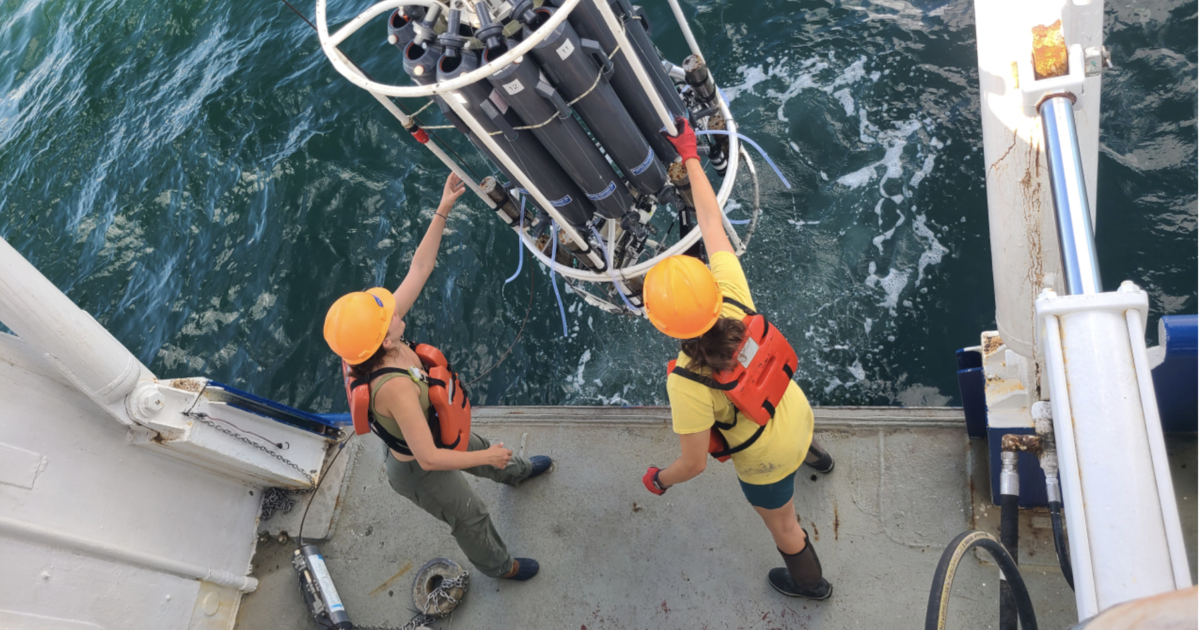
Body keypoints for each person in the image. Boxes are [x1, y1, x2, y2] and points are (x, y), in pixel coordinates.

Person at [640, 119, 835, 599]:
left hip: (767, 460)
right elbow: (711, 221)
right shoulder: (732, 299)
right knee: (785, 429)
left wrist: (658, 480)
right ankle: (821, 461)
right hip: (798, 414)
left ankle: (811, 586)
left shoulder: (687, 381)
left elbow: (693, 464)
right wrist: (690, 154)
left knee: (785, 528)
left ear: (665, 327)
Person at [323, 172, 551, 581]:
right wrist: (483, 458)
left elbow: (420, 266)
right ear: (382, 338)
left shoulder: (377, 341)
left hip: (433, 428)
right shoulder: (392, 388)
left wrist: (443, 209)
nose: (393, 309)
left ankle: (514, 471)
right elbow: (428, 457)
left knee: (479, 446)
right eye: (386, 315)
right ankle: (501, 567)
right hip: (417, 470)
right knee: (471, 514)